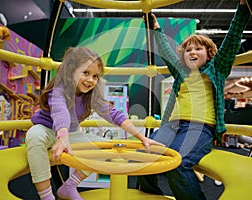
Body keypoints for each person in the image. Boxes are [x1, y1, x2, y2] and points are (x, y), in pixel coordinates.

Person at [137, 0, 250, 199]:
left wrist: (242, 8)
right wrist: (155, 28)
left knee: (179, 163)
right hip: (172, 126)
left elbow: (232, 39)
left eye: (198, 49)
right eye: (188, 50)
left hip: (200, 127)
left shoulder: (217, 68)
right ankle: (151, 195)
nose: (192, 52)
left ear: (209, 54)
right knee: (142, 155)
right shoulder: (181, 72)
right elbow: (165, 50)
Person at [25, 46, 163, 200]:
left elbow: (114, 115)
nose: (90, 80)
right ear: (71, 71)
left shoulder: (92, 95)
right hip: (47, 129)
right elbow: (60, 112)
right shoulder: (59, 88)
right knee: (34, 136)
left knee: (105, 148)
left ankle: (69, 186)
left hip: (71, 133)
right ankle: (46, 197)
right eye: (85, 73)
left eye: (96, 76)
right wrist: (62, 136)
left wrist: (141, 137)